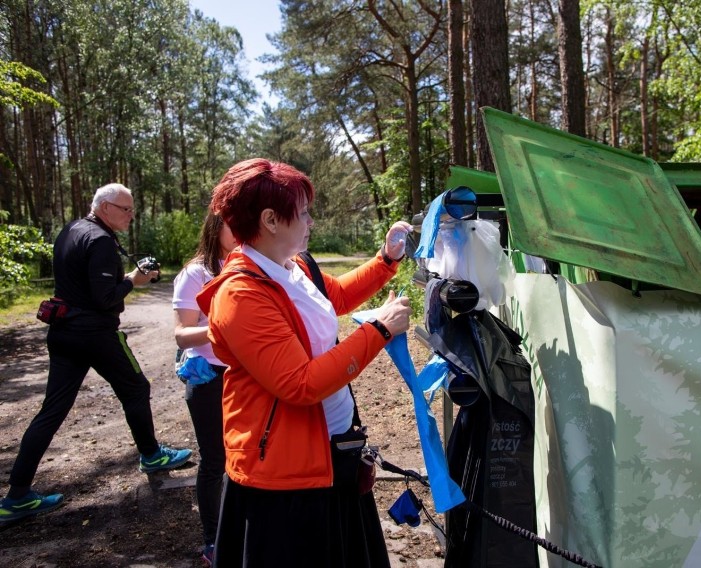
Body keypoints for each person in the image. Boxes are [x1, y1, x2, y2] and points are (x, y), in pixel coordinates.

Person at [195, 158, 412, 567]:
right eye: (305, 211)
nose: (311, 221)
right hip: (283, 474)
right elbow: (300, 384)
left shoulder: (295, 267)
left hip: (331, 450)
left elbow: (340, 297)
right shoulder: (241, 295)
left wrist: (386, 259)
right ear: (271, 220)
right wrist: (379, 331)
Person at [0, 183, 193, 524]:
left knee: (52, 410)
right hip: (95, 335)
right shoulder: (101, 241)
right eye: (126, 209)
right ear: (105, 208)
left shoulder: (72, 229)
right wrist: (134, 279)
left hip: (63, 334)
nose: (131, 215)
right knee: (136, 388)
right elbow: (105, 298)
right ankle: (151, 456)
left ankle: (16, 495)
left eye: (132, 209)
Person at [172, 213, 238, 566]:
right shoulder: (195, 273)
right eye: (234, 226)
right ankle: (212, 541)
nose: (241, 232)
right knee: (215, 461)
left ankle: (241, 530)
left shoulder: (245, 264)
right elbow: (182, 335)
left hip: (245, 376)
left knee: (243, 457)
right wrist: (222, 328)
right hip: (209, 378)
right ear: (215, 228)